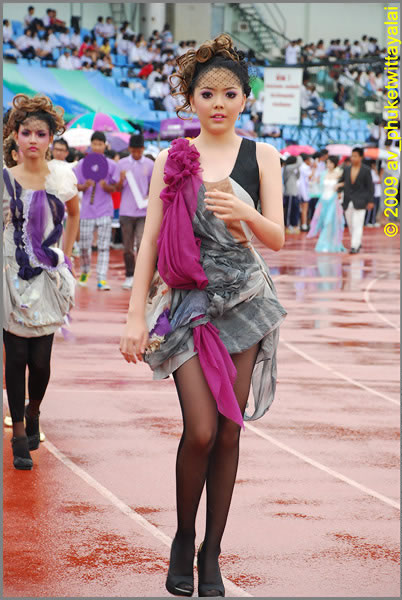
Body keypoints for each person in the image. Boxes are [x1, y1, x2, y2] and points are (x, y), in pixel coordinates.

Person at [119, 33, 286, 598]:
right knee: (202, 430)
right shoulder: (171, 159)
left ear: (245, 99)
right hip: (188, 305)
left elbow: (277, 238)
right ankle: (183, 536)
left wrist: (245, 210)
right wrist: (135, 316)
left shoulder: (263, 156)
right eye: (207, 93)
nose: (218, 103)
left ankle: (211, 551)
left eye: (230, 94)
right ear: (190, 98)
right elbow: (149, 241)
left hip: (244, 303)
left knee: (230, 431)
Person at [2, 94, 79, 470]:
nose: (33, 139)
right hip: (10, 275)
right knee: (15, 356)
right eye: (26, 132)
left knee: (41, 361)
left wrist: (65, 255)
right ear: (15, 136)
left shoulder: (62, 177)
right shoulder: (4, 180)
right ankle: (18, 432)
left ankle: (34, 411)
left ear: (51, 138)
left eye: (41, 133)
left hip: (48, 277)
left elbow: (74, 213)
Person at [73, 131, 118, 290]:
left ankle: (101, 278)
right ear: (90, 145)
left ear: (105, 146)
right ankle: (85, 271)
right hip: (87, 211)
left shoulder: (111, 165)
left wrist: (108, 187)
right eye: (95, 143)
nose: (97, 147)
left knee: (103, 246)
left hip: (105, 210)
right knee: (84, 246)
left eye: (100, 144)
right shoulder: (82, 164)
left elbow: (116, 186)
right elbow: (75, 185)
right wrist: (84, 186)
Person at [113, 134, 154, 290]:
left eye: (139, 150)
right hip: (126, 211)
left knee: (143, 244)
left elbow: (153, 185)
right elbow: (117, 188)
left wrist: (149, 195)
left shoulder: (150, 164)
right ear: (129, 149)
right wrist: (121, 180)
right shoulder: (122, 164)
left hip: (143, 212)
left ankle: (143, 276)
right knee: (128, 247)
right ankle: (130, 275)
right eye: (134, 150)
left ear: (143, 149)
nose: (137, 153)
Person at [337, 147, 374, 253]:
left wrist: (370, 201)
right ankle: (357, 241)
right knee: (350, 224)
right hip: (347, 200)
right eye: (352, 156)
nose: (353, 158)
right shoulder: (347, 169)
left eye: (355, 156)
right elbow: (341, 181)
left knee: (357, 223)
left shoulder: (366, 170)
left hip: (361, 201)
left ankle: (354, 245)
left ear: (361, 157)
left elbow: (370, 187)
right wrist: (339, 191)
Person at [307, 155, 346, 252]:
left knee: (330, 222)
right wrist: (314, 170)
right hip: (323, 201)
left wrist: (339, 186)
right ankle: (327, 243)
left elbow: (346, 183)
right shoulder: (323, 173)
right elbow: (313, 181)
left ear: (334, 164)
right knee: (324, 222)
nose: (328, 165)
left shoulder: (339, 173)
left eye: (330, 163)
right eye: (327, 163)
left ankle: (326, 244)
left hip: (333, 201)